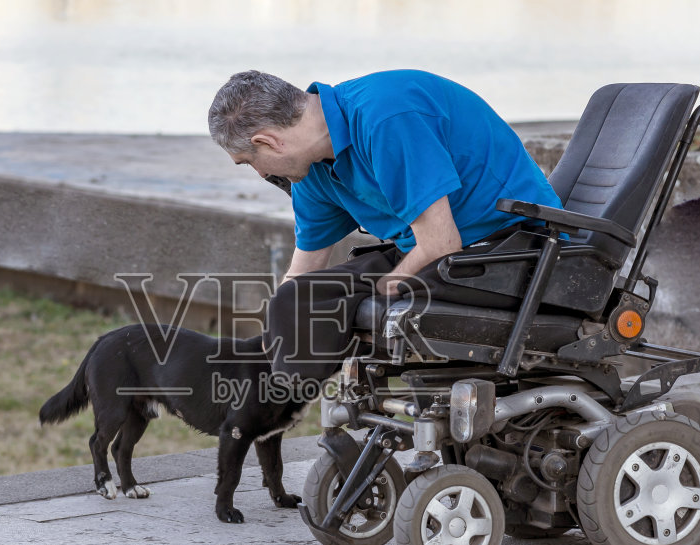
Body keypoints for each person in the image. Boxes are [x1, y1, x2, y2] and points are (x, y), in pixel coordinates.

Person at [207, 68, 563, 381]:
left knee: (379, 297)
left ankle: (285, 395)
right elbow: (303, 270)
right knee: (295, 299)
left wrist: (385, 288)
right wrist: (277, 332)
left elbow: (441, 243)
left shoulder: (385, 117)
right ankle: (278, 394)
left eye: (249, 162)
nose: (262, 174)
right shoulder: (313, 170)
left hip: (513, 246)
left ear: (266, 142)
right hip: (436, 253)